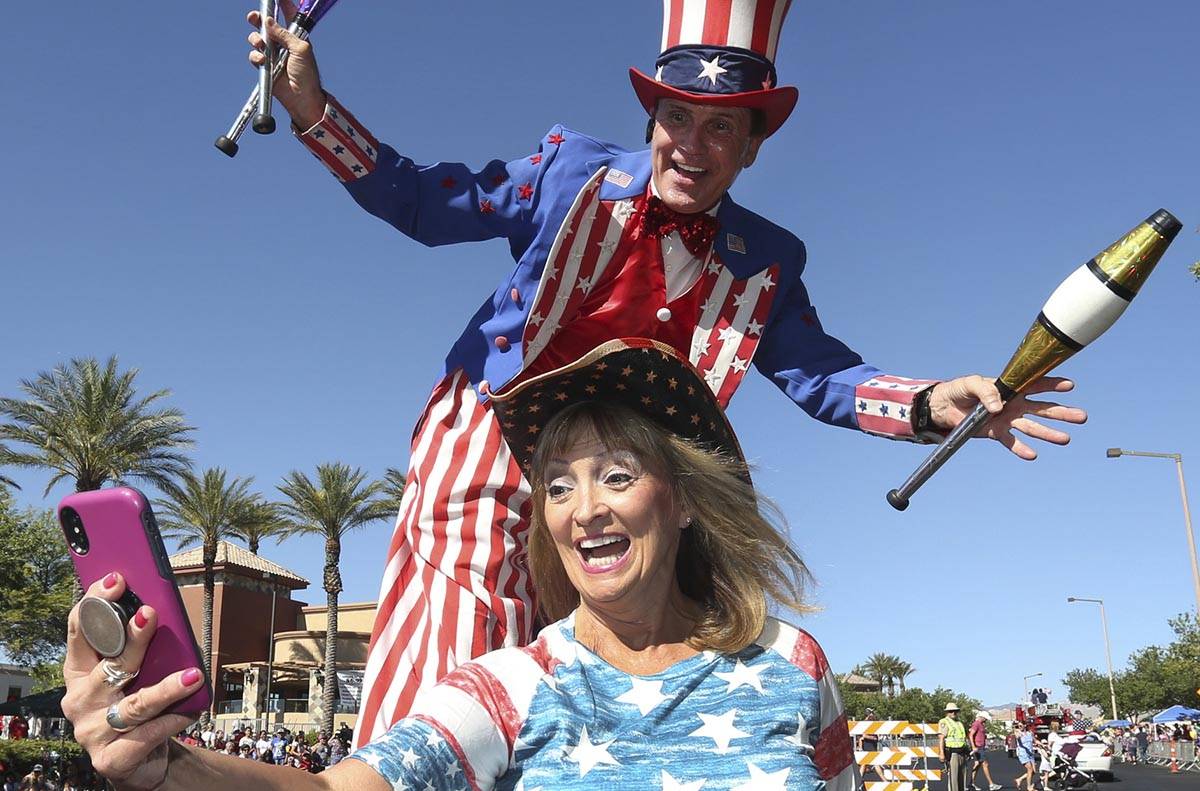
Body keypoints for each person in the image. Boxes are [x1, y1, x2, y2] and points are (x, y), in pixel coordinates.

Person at [242, 0, 1089, 748]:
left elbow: (822, 376)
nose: (693, 144)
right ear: (651, 119)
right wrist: (314, 109)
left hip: (640, 489)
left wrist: (932, 403)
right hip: (491, 453)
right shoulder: (569, 171)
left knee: (607, 688)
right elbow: (425, 202)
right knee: (462, 661)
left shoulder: (767, 260)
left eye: (721, 127)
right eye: (677, 117)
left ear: (753, 149)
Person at [61, 339, 858, 789]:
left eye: (617, 474)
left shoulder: (792, 664)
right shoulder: (509, 687)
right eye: (556, 485)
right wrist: (163, 760)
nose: (585, 509)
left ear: (682, 500)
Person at [938, 703, 971, 791]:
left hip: (962, 752)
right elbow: (941, 738)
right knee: (954, 778)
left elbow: (963, 738)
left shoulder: (959, 723)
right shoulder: (944, 722)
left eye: (955, 711)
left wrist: (968, 751)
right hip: (952, 753)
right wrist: (941, 753)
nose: (953, 713)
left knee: (962, 777)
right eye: (950, 711)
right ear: (947, 712)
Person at [967, 711, 1001, 791]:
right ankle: (991, 784)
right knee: (985, 764)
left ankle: (970, 784)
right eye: (985, 718)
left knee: (977, 765)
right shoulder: (976, 724)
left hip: (980, 747)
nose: (986, 720)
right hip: (978, 747)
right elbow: (971, 735)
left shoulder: (981, 724)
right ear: (982, 717)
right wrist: (973, 746)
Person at [1013, 721, 1038, 790]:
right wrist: (1017, 730)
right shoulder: (1017, 732)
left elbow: (1035, 740)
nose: (1020, 727)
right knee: (1029, 769)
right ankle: (1029, 787)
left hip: (1030, 753)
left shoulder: (1030, 733)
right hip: (1023, 753)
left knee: (1033, 772)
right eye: (1018, 726)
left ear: (1025, 725)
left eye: (1021, 726)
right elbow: (1018, 736)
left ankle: (1019, 779)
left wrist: (1043, 745)